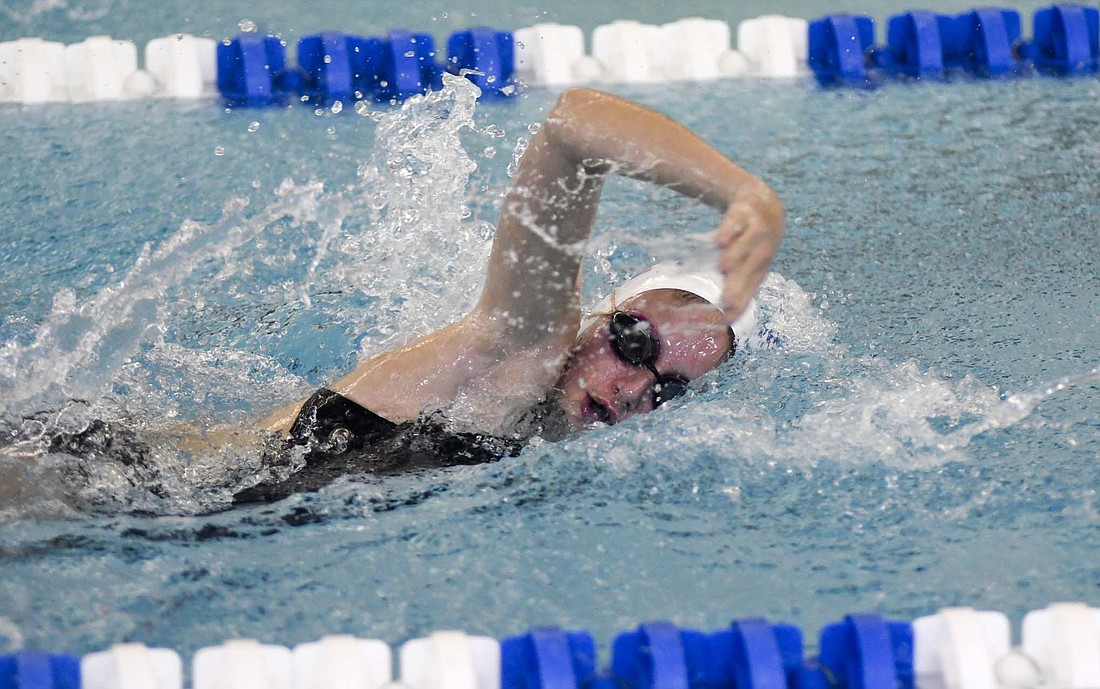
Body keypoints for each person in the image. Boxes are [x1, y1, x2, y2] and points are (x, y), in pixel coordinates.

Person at [230, 87, 784, 504]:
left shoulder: (538, 434)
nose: (632, 389)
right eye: (634, 344)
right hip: (166, 493)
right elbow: (573, 125)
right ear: (602, 313)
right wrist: (746, 194)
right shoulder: (526, 347)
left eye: (667, 391)